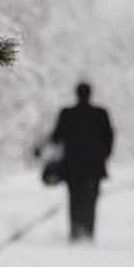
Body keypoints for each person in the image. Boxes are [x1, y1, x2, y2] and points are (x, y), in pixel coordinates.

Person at [49, 82, 114, 242]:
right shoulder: (100, 114)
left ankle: (75, 232)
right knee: (91, 200)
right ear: (90, 94)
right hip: (94, 167)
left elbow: (56, 137)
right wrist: (103, 156)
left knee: (74, 199)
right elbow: (109, 138)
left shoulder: (67, 114)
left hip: (72, 167)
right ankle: (88, 232)